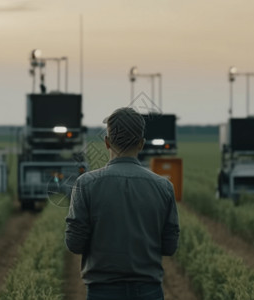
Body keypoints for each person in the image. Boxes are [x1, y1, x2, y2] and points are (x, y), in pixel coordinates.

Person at [65, 107, 180, 300]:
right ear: (142, 144)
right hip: (149, 291)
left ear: (107, 143)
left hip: (102, 291)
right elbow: (169, 247)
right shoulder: (164, 187)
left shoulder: (86, 184)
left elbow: (74, 244)